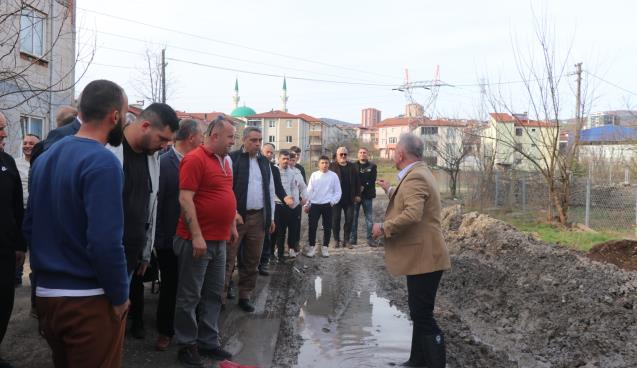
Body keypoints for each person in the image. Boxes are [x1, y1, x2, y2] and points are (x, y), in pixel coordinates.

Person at [24, 79, 130, 368]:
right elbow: (105, 242)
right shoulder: (103, 162)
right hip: (87, 302)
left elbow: (30, 225)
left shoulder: (46, 157)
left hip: (49, 298)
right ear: (115, 116)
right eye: (126, 114)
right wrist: (120, 296)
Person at [372, 133, 451, 368]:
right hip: (423, 256)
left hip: (425, 257)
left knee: (423, 315)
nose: (394, 154)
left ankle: (436, 363)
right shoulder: (419, 173)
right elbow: (411, 202)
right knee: (419, 312)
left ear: (401, 154)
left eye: (395, 150)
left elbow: (412, 214)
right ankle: (417, 361)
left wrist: (384, 227)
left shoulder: (416, 177)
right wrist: (390, 191)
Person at [107, 103, 179, 340]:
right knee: (101, 328)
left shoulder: (152, 157)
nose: (165, 145)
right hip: (106, 258)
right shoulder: (109, 151)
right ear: (145, 125)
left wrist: (146, 252)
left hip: (133, 256)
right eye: (163, 138)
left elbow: (151, 204)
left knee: (115, 330)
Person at [173, 116, 237, 366]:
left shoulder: (225, 162)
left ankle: (208, 342)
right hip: (196, 241)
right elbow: (185, 199)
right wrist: (197, 235)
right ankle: (187, 345)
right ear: (214, 136)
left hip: (219, 241)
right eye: (230, 137)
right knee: (190, 296)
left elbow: (227, 194)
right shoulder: (194, 159)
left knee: (213, 294)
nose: (234, 141)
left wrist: (231, 224)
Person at [153, 119, 203, 351]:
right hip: (169, 238)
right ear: (191, 137)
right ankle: (165, 331)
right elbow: (157, 204)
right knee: (170, 286)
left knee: (192, 288)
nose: (203, 139)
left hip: (195, 236)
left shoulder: (201, 161)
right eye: (201, 135)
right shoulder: (164, 163)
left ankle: (192, 331)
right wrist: (160, 240)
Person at [226, 127, 276, 313]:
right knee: (228, 259)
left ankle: (245, 295)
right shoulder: (233, 159)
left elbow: (269, 191)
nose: (257, 144)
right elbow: (226, 190)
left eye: (260, 140)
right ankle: (222, 295)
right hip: (236, 219)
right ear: (244, 140)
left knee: (252, 260)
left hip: (258, 218)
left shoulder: (264, 162)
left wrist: (270, 217)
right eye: (254, 140)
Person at [0, 112, 26, 368]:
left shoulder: (8, 162)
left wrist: (20, 244)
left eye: (4, 128)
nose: (4, 134)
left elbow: (17, 207)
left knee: (4, 303)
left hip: (5, 251)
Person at [258, 143, 292, 275]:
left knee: (269, 233)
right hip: (252, 207)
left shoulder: (274, 169)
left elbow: (277, 187)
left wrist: (285, 197)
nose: (270, 155)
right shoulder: (254, 164)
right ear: (262, 151)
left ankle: (264, 261)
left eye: (272, 153)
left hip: (269, 207)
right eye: (267, 152)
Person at [14, 134, 40, 287]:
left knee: (36, 246)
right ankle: (16, 277)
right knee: (18, 245)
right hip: (19, 210)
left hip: (37, 211)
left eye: (32, 143)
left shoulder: (43, 162)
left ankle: (35, 277)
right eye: (25, 143)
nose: (27, 146)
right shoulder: (15, 163)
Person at [303, 156, 341, 258]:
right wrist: (307, 204)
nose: (325, 165)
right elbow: (309, 191)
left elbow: (338, 192)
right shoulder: (314, 175)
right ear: (318, 164)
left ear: (329, 164)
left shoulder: (333, 176)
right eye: (322, 163)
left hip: (327, 205)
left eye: (326, 163)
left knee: (328, 227)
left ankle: (325, 247)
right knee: (312, 226)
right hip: (315, 204)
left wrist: (332, 202)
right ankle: (312, 247)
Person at [274, 150, 307, 259]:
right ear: (278, 159)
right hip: (277, 204)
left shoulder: (293, 172)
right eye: (283, 159)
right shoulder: (274, 170)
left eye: (287, 159)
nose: (286, 161)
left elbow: (295, 187)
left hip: (291, 205)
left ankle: (290, 249)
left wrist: (295, 201)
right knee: (279, 231)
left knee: (293, 228)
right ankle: (278, 252)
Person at [329, 147, 361, 249]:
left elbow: (357, 182)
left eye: (345, 154)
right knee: (335, 220)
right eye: (341, 154)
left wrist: (358, 195)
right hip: (336, 199)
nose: (343, 156)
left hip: (349, 199)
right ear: (337, 155)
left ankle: (346, 241)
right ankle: (336, 240)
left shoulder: (353, 167)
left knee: (350, 220)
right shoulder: (332, 167)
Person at [351, 147, 377, 247]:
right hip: (356, 196)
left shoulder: (372, 166)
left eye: (364, 152)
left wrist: (363, 186)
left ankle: (370, 239)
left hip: (367, 195)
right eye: (360, 152)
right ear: (358, 154)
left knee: (369, 219)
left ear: (367, 154)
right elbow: (351, 180)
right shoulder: (353, 166)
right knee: (354, 218)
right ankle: (353, 239)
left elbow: (372, 179)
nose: (362, 154)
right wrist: (357, 189)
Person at [287, 151, 306, 255]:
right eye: (289, 160)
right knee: (280, 228)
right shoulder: (278, 170)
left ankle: (292, 246)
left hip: (296, 203)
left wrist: (304, 197)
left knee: (294, 226)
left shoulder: (299, 171)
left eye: (293, 160)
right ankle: (278, 247)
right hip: (282, 204)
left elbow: (303, 186)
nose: (291, 162)